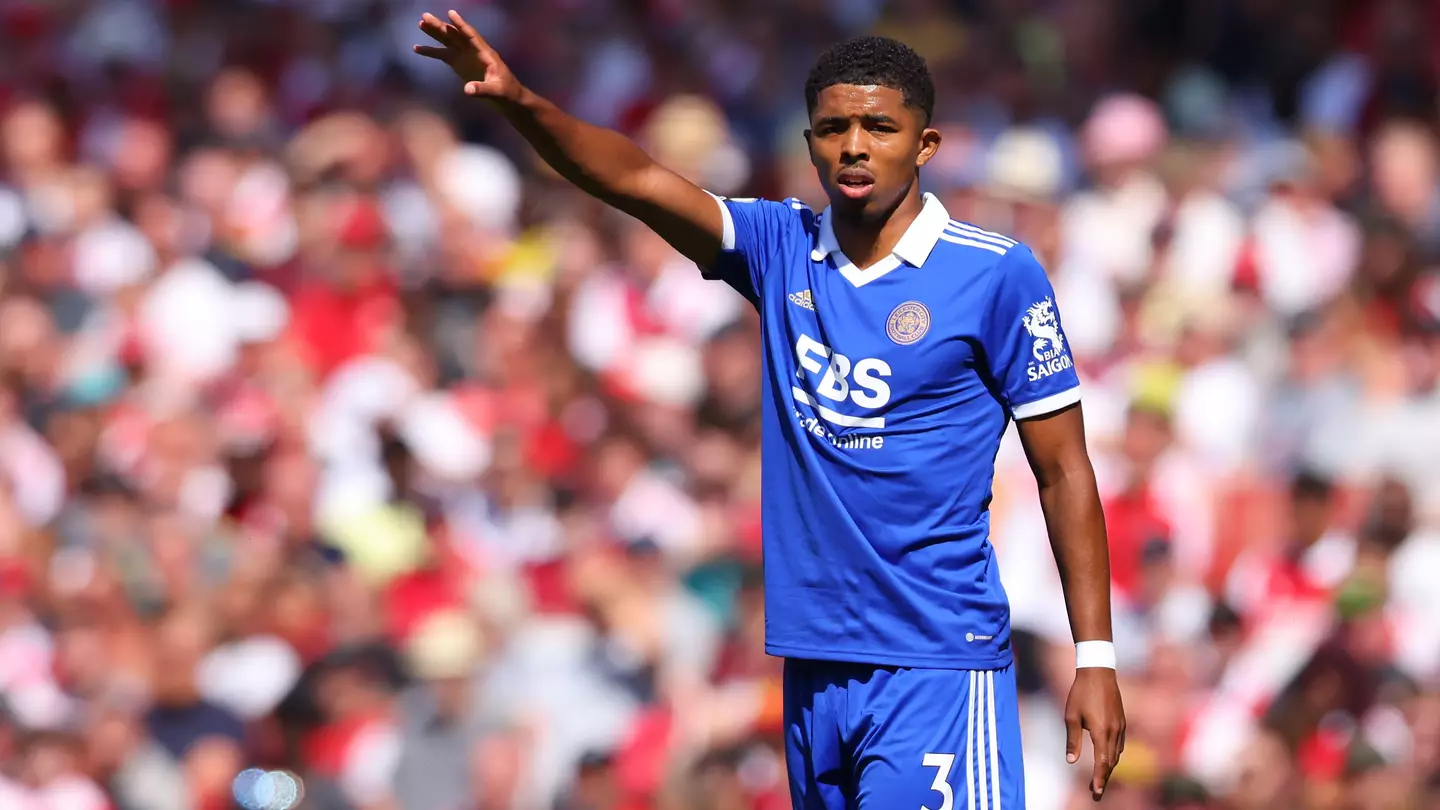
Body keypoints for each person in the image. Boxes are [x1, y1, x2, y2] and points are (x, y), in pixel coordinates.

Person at [414, 12, 1124, 808]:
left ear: (925, 144)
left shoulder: (995, 275)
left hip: (936, 663)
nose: (854, 145)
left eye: (880, 126)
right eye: (833, 128)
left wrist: (1094, 655)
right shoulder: (779, 245)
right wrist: (520, 103)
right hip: (812, 667)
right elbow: (635, 178)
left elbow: (1064, 469)